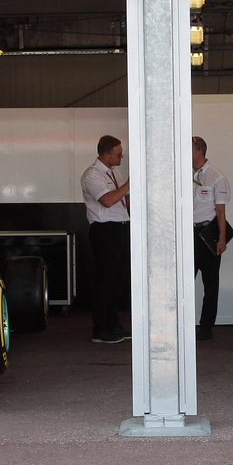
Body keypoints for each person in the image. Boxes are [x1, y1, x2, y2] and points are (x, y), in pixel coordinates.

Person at [81, 134, 131, 344]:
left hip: (119, 228)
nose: (122, 157)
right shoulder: (92, 175)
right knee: (106, 280)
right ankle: (100, 329)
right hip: (104, 231)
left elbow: (122, 198)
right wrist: (130, 184)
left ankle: (114, 325)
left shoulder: (114, 172)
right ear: (105, 155)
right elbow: (108, 200)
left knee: (117, 280)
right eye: (118, 154)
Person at [191, 136, 230, 341]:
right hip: (187, 234)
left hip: (207, 235)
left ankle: (205, 328)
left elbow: (221, 212)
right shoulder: (183, 173)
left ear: (199, 151)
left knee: (210, 284)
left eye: (188, 148)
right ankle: (183, 325)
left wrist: (221, 239)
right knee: (184, 284)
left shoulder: (216, 177)